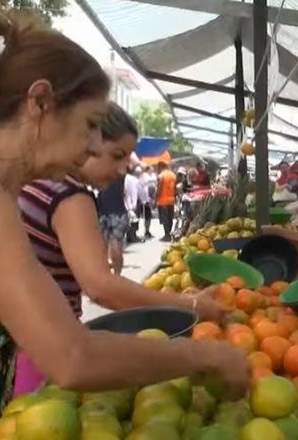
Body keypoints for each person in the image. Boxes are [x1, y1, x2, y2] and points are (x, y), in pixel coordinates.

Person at [0, 14, 247, 438]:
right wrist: (202, 357)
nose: (94, 146)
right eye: (89, 124)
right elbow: (71, 357)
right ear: (40, 101)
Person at [16, 103, 227, 395]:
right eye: (116, 155)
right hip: (44, 349)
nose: (122, 169)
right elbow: (101, 287)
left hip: (17, 340)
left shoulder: (33, 181)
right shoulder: (70, 198)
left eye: (126, 158)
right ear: (86, 140)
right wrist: (191, 306)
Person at [97, 176, 128, 274]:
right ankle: (117, 275)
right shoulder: (118, 170)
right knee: (116, 244)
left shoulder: (99, 169)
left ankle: (106, 274)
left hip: (103, 212)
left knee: (102, 246)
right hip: (118, 212)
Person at [156, 161, 176, 241]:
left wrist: (155, 198)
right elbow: (175, 189)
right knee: (170, 218)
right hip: (171, 200)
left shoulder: (161, 176)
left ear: (160, 166)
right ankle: (169, 234)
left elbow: (159, 189)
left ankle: (166, 235)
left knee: (165, 219)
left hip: (163, 201)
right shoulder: (173, 175)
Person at [124, 165, 141, 243]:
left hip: (125, 203)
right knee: (134, 220)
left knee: (129, 220)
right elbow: (137, 191)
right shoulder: (134, 179)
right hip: (133, 202)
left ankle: (130, 236)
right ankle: (132, 236)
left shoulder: (122, 178)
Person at [137, 166, 153, 239]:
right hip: (141, 200)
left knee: (148, 217)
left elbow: (150, 185)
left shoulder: (145, 176)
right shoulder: (141, 177)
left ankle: (147, 231)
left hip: (146, 200)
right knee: (138, 217)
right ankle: (135, 233)